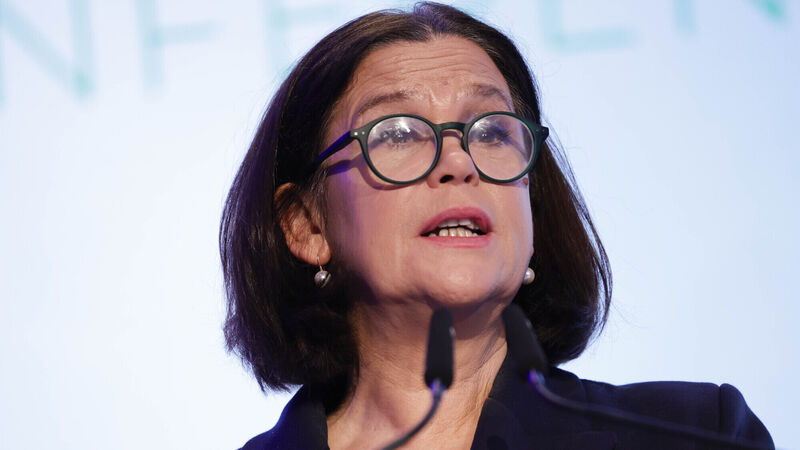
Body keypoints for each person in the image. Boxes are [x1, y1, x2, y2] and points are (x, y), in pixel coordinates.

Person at [220, 3, 773, 449]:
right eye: (398, 133)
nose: (458, 161)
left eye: (491, 132)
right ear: (306, 225)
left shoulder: (697, 433)